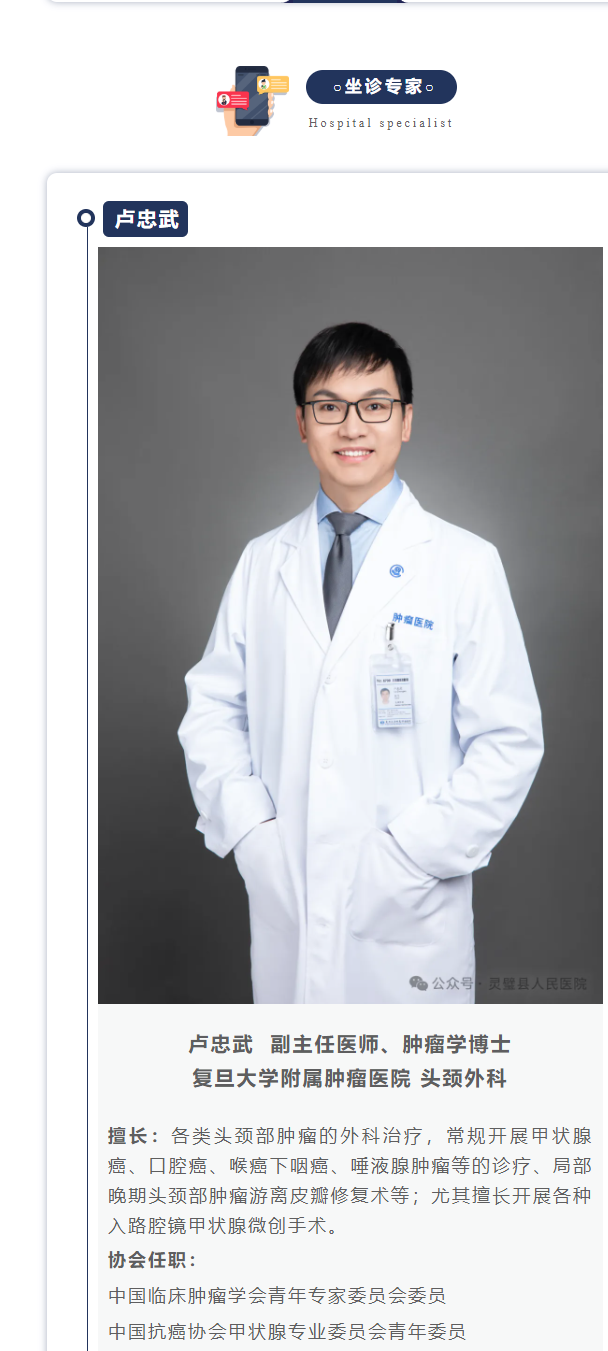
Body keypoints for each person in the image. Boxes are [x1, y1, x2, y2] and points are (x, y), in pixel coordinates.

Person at [178, 317, 544, 1004]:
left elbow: (509, 741)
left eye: (374, 405)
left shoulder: (464, 563)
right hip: (288, 893)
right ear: (301, 422)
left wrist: (411, 855)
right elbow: (213, 711)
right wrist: (251, 832)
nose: (352, 426)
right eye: (328, 407)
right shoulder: (263, 562)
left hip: (410, 905)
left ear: (405, 420)